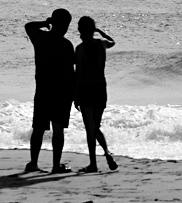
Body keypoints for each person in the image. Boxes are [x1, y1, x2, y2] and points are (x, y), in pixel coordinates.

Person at [24, 9, 76, 174]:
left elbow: (29, 26)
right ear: (66, 25)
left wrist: (46, 23)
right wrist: (75, 94)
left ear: (53, 22)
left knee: (38, 128)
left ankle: (33, 163)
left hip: (43, 89)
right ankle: (55, 165)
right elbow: (70, 73)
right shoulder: (66, 45)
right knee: (58, 128)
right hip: (61, 91)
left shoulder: (40, 38)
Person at [74, 16, 118, 173]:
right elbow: (113, 42)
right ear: (93, 29)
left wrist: (75, 95)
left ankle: (94, 163)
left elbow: (78, 75)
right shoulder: (102, 44)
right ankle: (107, 153)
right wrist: (101, 33)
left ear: (80, 29)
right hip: (100, 88)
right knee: (95, 126)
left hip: (86, 89)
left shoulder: (79, 49)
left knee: (90, 128)